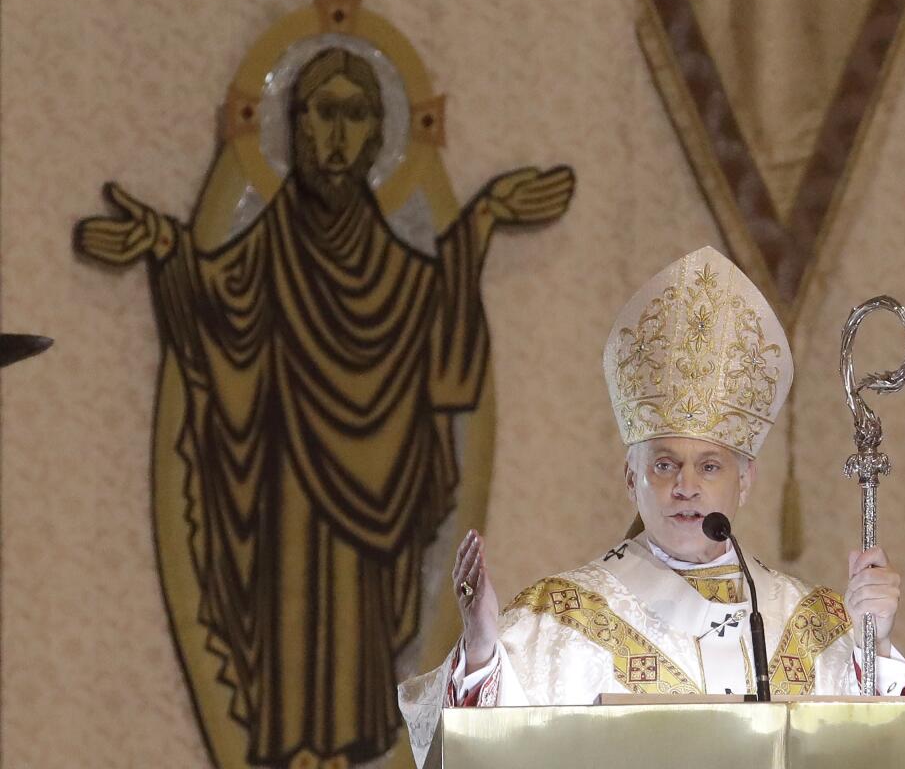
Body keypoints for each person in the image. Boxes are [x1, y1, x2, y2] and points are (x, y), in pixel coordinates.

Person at [75, 46, 573, 768]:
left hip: (371, 539)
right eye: (321, 113)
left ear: (377, 135)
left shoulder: (400, 273)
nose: (336, 136)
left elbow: (442, 361)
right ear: (293, 127)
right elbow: (216, 315)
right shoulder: (266, 252)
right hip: (285, 508)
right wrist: (162, 245)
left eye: (355, 116)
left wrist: (486, 219)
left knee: (355, 638)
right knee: (292, 612)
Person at [398, 246, 905, 765]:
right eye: (665, 465)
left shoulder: (814, 624)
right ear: (631, 479)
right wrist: (483, 649)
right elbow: (462, 754)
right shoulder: (557, 619)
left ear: (746, 480)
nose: (686, 486)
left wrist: (879, 646)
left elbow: (890, 753)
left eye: (710, 466)